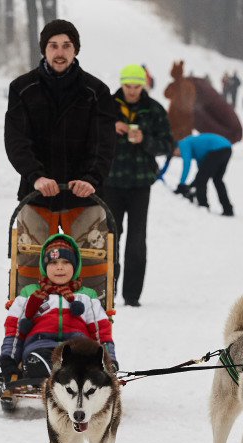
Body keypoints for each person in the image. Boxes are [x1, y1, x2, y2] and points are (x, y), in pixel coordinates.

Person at [4, 19, 116, 299]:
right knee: (30, 265)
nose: (60, 52)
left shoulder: (96, 92)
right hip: (37, 194)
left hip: (85, 195)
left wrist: (91, 179)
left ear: (75, 50)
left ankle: (92, 325)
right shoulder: (22, 88)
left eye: (67, 45)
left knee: (92, 264)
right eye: (53, 46)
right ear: (44, 50)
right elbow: (17, 141)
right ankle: (30, 322)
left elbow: (104, 144)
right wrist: (36, 175)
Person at [0, 234, 117, 398]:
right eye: (53, 262)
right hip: (40, 343)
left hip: (76, 346)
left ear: (75, 266)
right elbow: (15, 329)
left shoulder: (86, 296)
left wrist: (109, 362)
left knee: (82, 360)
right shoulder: (30, 293)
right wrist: (9, 361)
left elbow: (100, 330)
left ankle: (69, 373)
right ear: (44, 267)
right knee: (37, 358)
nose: (60, 267)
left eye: (66, 262)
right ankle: (43, 369)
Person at [106, 64, 173, 307]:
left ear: (143, 85)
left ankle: (132, 296)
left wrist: (145, 140)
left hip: (140, 184)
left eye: (136, 86)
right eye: (128, 86)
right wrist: (111, 130)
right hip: (110, 182)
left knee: (136, 239)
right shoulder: (106, 106)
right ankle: (106, 290)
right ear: (122, 84)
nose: (132, 91)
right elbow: (89, 139)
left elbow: (167, 145)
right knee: (109, 238)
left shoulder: (154, 109)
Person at [172, 133, 234, 216]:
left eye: (175, 153)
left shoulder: (183, 144)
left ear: (176, 147)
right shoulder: (197, 149)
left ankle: (203, 206)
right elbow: (202, 170)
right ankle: (228, 209)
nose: (177, 155)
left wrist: (181, 184)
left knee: (202, 179)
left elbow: (187, 164)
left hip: (217, 149)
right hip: (227, 148)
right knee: (217, 180)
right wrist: (192, 185)